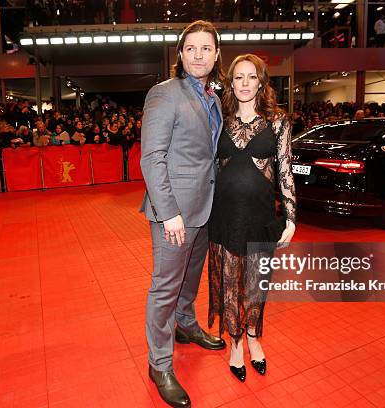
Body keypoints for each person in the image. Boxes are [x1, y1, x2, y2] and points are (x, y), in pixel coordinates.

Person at [140, 20, 225, 408]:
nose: (198, 55)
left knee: (191, 278)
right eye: (191, 48)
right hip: (174, 212)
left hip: (205, 207)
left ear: (216, 54)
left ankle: (186, 326)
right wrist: (168, 211)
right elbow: (152, 157)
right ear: (181, 53)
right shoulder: (164, 94)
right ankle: (159, 363)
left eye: (206, 48)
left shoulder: (213, 96)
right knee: (165, 287)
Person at [208, 54, 296, 382]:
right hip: (225, 216)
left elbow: (285, 171)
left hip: (260, 216)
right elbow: (211, 168)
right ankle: (235, 343)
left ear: (261, 82)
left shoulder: (278, 121)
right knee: (231, 285)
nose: (245, 83)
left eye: (251, 77)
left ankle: (254, 339)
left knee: (256, 286)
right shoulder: (219, 119)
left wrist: (291, 216)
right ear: (231, 83)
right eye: (238, 77)